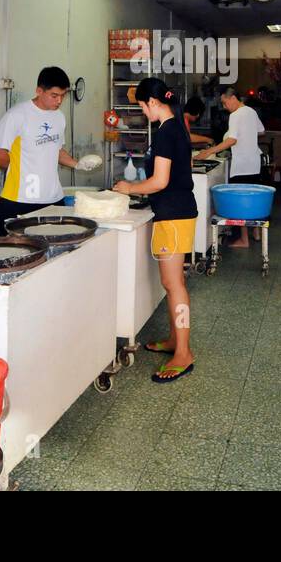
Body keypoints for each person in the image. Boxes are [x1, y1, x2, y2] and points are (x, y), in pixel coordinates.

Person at [113, 78, 197, 383]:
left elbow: (160, 181)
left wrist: (130, 188)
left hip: (173, 216)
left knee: (174, 285)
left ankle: (184, 353)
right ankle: (176, 340)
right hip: (177, 212)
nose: (143, 113)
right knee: (172, 283)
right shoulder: (178, 127)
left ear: (152, 102)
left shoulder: (165, 132)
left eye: (142, 107)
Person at [0, 66, 80, 235]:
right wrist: (22, 169)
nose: (59, 101)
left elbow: (57, 150)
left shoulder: (59, 117)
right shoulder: (17, 116)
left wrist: (78, 165)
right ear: (39, 91)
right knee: (17, 254)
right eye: (54, 95)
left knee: (56, 253)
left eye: (63, 95)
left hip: (53, 199)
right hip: (20, 200)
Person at [195, 86, 266, 248]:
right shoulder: (251, 111)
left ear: (233, 98)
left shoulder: (235, 115)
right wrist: (246, 134)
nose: (225, 107)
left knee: (241, 202)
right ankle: (255, 233)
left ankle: (244, 240)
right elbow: (261, 131)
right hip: (254, 162)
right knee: (253, 198)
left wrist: (209, 152)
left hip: (241, 164)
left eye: (225, 103)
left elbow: (231, 140)